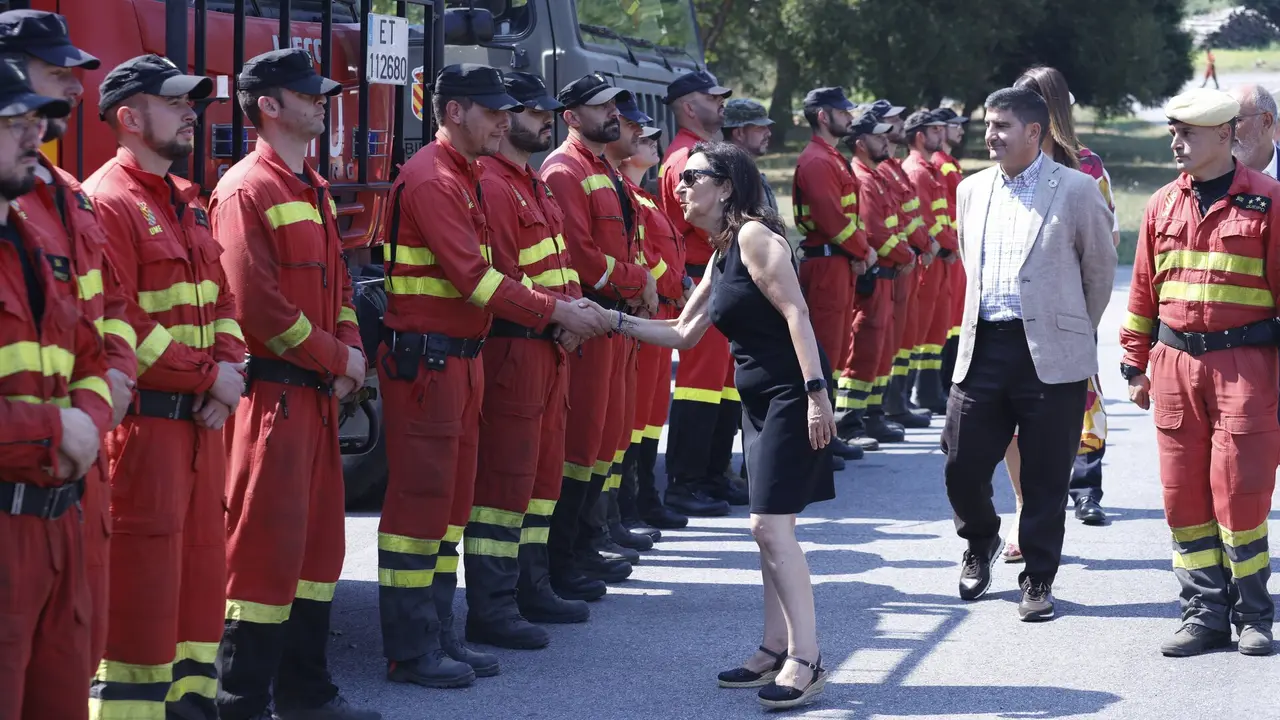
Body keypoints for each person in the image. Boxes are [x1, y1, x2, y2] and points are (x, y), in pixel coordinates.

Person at [379, 64, 610, 685]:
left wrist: (559, 310)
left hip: (459, 357)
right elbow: (475, 279)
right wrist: (556, 310)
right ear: (454, 111)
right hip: (431, 360)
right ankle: (412, 647)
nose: (504, 121)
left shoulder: (465, 175)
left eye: (509, 111)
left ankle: (440, 636)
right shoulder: (433, 178)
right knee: (421, 511)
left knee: (451, 508)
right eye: (492, 111)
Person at [601, 141, 834, 710]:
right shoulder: (720, 252)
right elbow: (681, 332)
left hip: (789, 393)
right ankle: (773, 647)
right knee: (768, 531)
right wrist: (610, 319)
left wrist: (815, 395)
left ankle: (807, 659)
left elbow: (797, 314)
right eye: (678, 179)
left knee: (769, 528)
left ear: (726, 186)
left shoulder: (755, 237)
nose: (679, 187)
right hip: (758, 401)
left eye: (692, 178)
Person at [210, 49, 377, 720]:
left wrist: (351, 353)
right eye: (307, 94)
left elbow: (337, 290)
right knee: (261, 551)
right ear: (268, 106)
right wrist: (339, 357)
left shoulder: (307, 184)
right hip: (274, 398)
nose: (322, 102)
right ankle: (241, 700)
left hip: (314, 398)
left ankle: (307, 694)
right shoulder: (247, 187)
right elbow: (256, 305)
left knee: (315, 550)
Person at [83, 55, 236, 720]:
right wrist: (212, 377)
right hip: (146, 431)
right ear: (131, 117)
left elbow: (224, 301)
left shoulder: (189, 201)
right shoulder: (108, 201)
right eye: (176, 102)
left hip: (200, 424)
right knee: (141, 598)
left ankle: (194, 709)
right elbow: (123, 325)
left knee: (200, 583)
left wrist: (230, 373)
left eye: (192, 102)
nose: (191, 113)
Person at [944, 86, 1116, 622]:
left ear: (1035, 132)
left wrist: (1073, 331)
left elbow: (1100, 272)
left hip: (1051, 353)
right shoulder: (970, 190)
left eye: (1002, 126)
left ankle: (1038, 578)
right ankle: (982, 539)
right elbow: (968, 260)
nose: (990, 135)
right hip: (985, 346)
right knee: (961, 463)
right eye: (989, 125)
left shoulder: (1077, 190)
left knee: (1045, 476)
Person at [0, 8, 137, 673]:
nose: (71, 91)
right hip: (24, 482)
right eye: (53, 74)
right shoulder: (18, 200)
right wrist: (67, 429)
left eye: (74, 76)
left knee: (71, 669)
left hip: (73, 481)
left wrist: (90, 414)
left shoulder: (69, 196)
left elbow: (105, 324)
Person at [1122, 88, 1280, 658]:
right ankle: (1204, 612)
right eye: (1172, 131)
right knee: (1182, 496)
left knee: (1240, 493)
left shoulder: (1269, 201)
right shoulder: (1162, 203)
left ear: (1224, 136)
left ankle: (1254, 613)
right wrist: (1134, 364)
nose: (1175, 143)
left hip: (1245, 366)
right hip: (1173, 367)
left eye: (1187, 133)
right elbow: (1143, 292)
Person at [467, 71, 595, 649]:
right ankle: (493, 606)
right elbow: (502, 276)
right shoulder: (493, 183)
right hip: (516, 348)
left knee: (541, 478)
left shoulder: (530, 181)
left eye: (548, 112)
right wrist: (559, 317)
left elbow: (561, 264)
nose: (544, 120)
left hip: (549, 346)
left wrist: (569, 317)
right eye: (532, 112)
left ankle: (531, 585)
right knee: (504, 480)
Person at [0, 57, 105, 720]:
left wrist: (87, 421)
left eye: (33, 120)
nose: (31, 134)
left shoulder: (33, 237)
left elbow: (88, 348)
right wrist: (52, 430)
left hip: (58, 517)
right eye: (12, 121)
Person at [997, 67, 1119, 565]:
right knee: (1008, 420)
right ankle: (1025, 507)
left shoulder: (1087, 168)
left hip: (1064, 314)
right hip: (1006, 315)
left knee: (1070, 411)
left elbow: (1106, 245)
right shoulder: (999, 167)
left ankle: (1073, 495)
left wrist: (1084, 318)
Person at [541, 73, 654, 596]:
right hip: (591, 322)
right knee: (580, 444)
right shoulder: (565, 170)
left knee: (602, 440)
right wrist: (639, 281)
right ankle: (563, 562)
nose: (613, 113)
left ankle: (586, 545)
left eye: (614, 105)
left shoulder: (601, 166)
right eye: (601, 106)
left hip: (613, 322)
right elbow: (583, 256)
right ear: (571, 117)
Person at [658, 70, 744, 514]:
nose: (722, 104)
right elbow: (693, 218)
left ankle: (712, 474)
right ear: (689, 107)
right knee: (700, 384)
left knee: (723, 384)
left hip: (716, 269)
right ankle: (686, 482)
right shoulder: (684, 159)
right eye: (713, 98)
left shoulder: (701, 152)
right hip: (699, 272)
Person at [792, 86, 874, 466]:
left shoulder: (830, 157)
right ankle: (813, 442)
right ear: (823, 116)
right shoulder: (817, 161)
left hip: (838, 262)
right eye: (843, 112)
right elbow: (832, 219)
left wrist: (856, 253)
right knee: (822, 351)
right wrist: (863, 250)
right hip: (827, 263)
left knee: (835, 351)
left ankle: (828, 434)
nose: (850, 117)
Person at [617, 120, 692, 532]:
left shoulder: (645, 196)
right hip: (649, 309)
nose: (653, 143)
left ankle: (645, 495)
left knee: (649, 412)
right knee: (634, 415)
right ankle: (631, 504)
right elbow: (644, 256)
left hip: (662, 309)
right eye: (645, 139)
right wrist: (674, 284)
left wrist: (678, 286)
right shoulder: (629, 196)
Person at [834, 112, 914, 448]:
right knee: (862, 348)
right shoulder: (865, 180)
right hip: (874, 274)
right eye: (879, 136)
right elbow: (876, 233)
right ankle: (849, 421)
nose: (887, 140)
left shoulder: (876, 177)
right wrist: (907, 255)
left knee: (878, 350)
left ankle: (872, 413)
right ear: (860, 142)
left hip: (886, 274)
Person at [872, 100, 934, 429]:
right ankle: (881, 409)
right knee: (882, 338)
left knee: (900, 336)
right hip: (893, 263)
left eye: (897, 120)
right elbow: (880, 224)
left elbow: (910, 217)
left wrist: (923, 245)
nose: (896, 126)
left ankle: (894, 404)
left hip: (906, 261)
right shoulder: (885, 170)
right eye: (889, 122)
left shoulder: (893, 167)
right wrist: (913, 251)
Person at [902, 109, 959, 416]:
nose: (943, 135)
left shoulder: (929, 169)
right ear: (921, 136)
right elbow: (926, 220)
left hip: (940, 258)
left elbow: (944, 215)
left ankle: (928, 390)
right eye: (937, 131)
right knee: (921, 329)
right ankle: (917, 392)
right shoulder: (918, 171)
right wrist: (949, 244)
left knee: (935, 329)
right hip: (931, 258)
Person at [932, 106, 967, 398]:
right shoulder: (940, 165)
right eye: (954, 125)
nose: (961, 130)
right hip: (948, 251)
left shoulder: (949, 163)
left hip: (955, 249)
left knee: (954, 319)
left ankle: (947, 381)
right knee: (947, 319)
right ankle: (942, 382)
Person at [723, 97, 778, 214]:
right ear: (739, 133)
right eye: (760, 127)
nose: (768, 133)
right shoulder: (730, 177)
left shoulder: (746, 170)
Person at [1230, 84, 1280, 177]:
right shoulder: (1210, 174)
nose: (1226, 130)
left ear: (1266, 121)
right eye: (1223, 122)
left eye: (1236, 120)